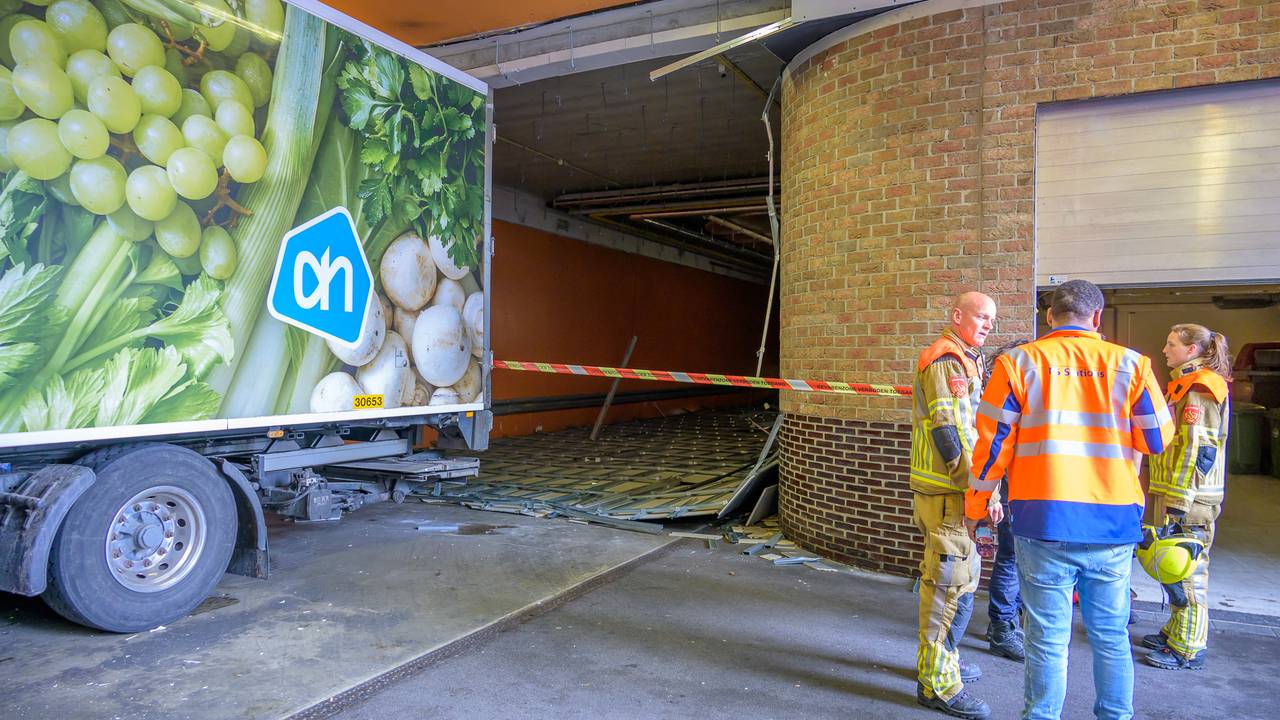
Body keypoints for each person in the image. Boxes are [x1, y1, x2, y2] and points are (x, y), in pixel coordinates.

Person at [963, 279, 1174, 720]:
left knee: (1046, 637)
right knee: (1111, 636)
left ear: (1049, 317)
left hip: (1043, 518)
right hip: (1111, 521)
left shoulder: (1018, 363)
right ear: (1097, 318)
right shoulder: (1131, 365)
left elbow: (991, 445)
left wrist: (977, 505)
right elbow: (1156, 439)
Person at [909, 291, 997, 720]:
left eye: (991, 321)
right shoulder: (947, 360)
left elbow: (972, 430)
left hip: (957, 492)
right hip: (949, 493)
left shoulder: (967, 358)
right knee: (947, 588)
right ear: (957, 315)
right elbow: (951, 432)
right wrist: (977, 490)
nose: (987, 325)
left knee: (961, 582)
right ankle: (937, 685)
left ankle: (943, 662)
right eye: (981, 317)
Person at [1141, 324, 1231, 670]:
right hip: (1176, 497)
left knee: (1189, 572)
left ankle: (1188, 647)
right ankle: (1176, 629)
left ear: (1192, 349)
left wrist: (1179, 501)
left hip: (1191, 502)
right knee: (1173, 567)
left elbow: (1199, 450)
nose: (1165, 350)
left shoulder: (1201, 388)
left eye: (1171, 344)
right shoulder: (1184, 385)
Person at [981, 340, 1030, 663]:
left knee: (1026, 560)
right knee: (1011, 558)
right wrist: (993, 496)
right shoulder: (1000, 394)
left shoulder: (1028, 391)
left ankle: (1011, 620)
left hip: (1032, 489)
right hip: (1012, 489)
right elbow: (991, 448)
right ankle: (1000, 626)